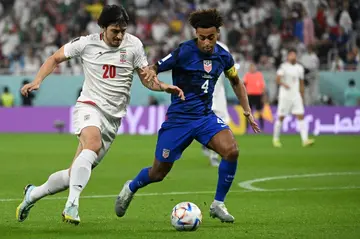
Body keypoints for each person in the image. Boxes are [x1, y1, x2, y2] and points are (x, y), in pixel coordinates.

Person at [16, 5, 184, 225]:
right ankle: (72, 205)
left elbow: (145, 78)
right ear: (103, 28)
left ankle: (32, 194)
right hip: (89, 106)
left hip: (113, 119)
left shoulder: (134, 45)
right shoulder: (86, 43)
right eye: (115, 30)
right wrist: (37, 80)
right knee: (92, 144)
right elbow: (55, 58)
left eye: (123, 30)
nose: (120, 35)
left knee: (73, 173)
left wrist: (163, 86)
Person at [114, 9, 260, 223]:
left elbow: (236, 81)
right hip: (178, 121)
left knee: (231, 151)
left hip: (204, 118)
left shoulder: (223, 56)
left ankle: (218, 204)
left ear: (218, 33)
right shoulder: (184, 51)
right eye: (202, 38)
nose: (207, 42)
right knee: (158, 173)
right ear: (196, 35)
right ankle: (131, 186)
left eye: (211, 37)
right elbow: (155, 67)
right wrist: (154, 75)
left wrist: (246, 109)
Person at [273, 49, 315, 148]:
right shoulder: (283, 67)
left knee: (300, 116)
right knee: (281, 117)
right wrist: (284, 84)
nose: (293, 57)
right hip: (285, 96)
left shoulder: (300, 68)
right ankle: (275, 139)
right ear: (288, 57)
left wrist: (302, 95)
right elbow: (277, 79)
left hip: (296, 95)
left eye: (294, 55)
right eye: (291, 55)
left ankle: (305, 140)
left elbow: (301, 82)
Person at [201, 40, 231, 167]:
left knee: (222, 123)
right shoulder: (195, 46)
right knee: (206, 124)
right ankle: (208, 147)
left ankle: (211, 151)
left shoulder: (222, 48)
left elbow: (229, 67)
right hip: (202, 93)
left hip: (218, 93)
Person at [243, 63, 266, 131]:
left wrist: (264, 96)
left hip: (258, 95)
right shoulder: (247, 75)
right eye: (251, 67)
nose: (252, 69)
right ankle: (246, 129)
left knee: (260, 112)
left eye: (253, 67)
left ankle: (262, 128)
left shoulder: (259, 75)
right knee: (248, 113)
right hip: (249, 96)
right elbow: (243, 85)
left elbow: (263, 86)